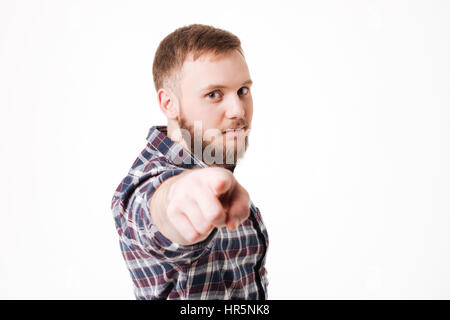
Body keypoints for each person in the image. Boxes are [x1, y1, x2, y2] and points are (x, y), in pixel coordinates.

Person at [111, 24, 269, 300]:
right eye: (214, 94)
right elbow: (155, 210)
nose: (238, 110)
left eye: (243, 90)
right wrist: (177, 198)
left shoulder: (216, 170)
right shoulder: (146, 183)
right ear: (169, 104)